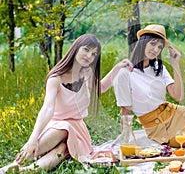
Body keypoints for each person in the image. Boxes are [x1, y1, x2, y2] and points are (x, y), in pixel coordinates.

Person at [0, 33, 132, 173]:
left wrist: (117, 68)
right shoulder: (55, 78)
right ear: (76, 48)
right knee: (64, 127)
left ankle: (26, 171)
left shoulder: (86, 73)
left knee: (62, 150)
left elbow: (102, 87)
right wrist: (32, 139)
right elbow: (47, 108)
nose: (89, 56)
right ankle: (12, 166)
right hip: (56, 127)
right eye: (86, 50)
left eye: (93, 54)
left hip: (78, 130)